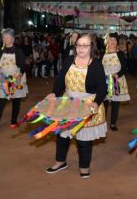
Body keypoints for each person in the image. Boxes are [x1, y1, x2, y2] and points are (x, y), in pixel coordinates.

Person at [45, 33, 107, 178]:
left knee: (83, 140)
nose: (81, 48)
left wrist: (96, 102)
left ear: (91, 47)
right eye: (79, 45)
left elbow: (102, 88)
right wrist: (54, 93)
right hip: (68, 102)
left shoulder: (96, 64)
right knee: (62, 136)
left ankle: (84, 167)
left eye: (85, 45)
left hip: (87, 104)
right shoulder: (68, 61)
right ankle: (60, 162)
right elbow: (60, 79)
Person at [0, 28, 28, 130]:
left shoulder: (18, 51)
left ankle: (13, 121)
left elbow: (22, 65)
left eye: (8, 37)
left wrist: (19, 75)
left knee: (16, 100)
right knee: (1, 100)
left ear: (13, 39)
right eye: (4, 37)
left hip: (16, 78)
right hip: (3, 80)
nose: (5, 39)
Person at [102, 33, 130, 131]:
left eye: (114, 40)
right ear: (107, 42)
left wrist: (118, 74)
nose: (113, 42)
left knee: (115, 103)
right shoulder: (103, 54)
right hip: (105, 81)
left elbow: (124, 67)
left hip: (116, 80)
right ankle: (102, 121)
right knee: (104, 102)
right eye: (111, 40)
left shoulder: (120, 53)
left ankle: (113, 123)